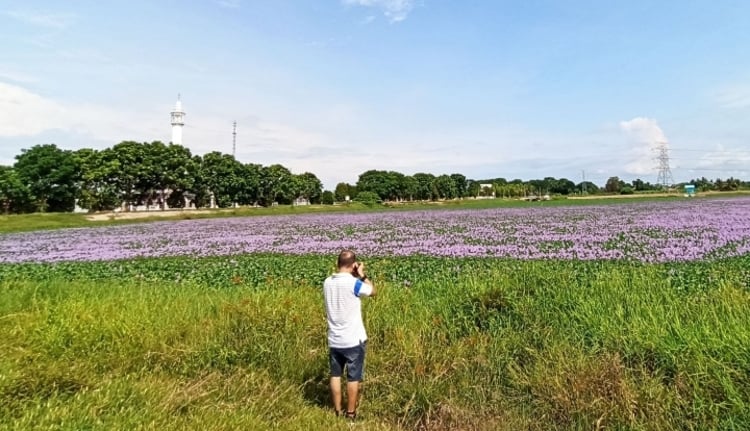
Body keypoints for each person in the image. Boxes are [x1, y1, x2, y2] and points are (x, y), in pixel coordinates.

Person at [323, 249, 377, 420]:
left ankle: (337, 412)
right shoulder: (354, 283)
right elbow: (373, 291)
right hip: (353, 340)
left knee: (335, 375)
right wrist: (361, 275)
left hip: (334, 339)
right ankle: (351, 414)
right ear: (354, 265)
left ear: (337, 264)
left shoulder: (327, 282)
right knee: (353, 377)